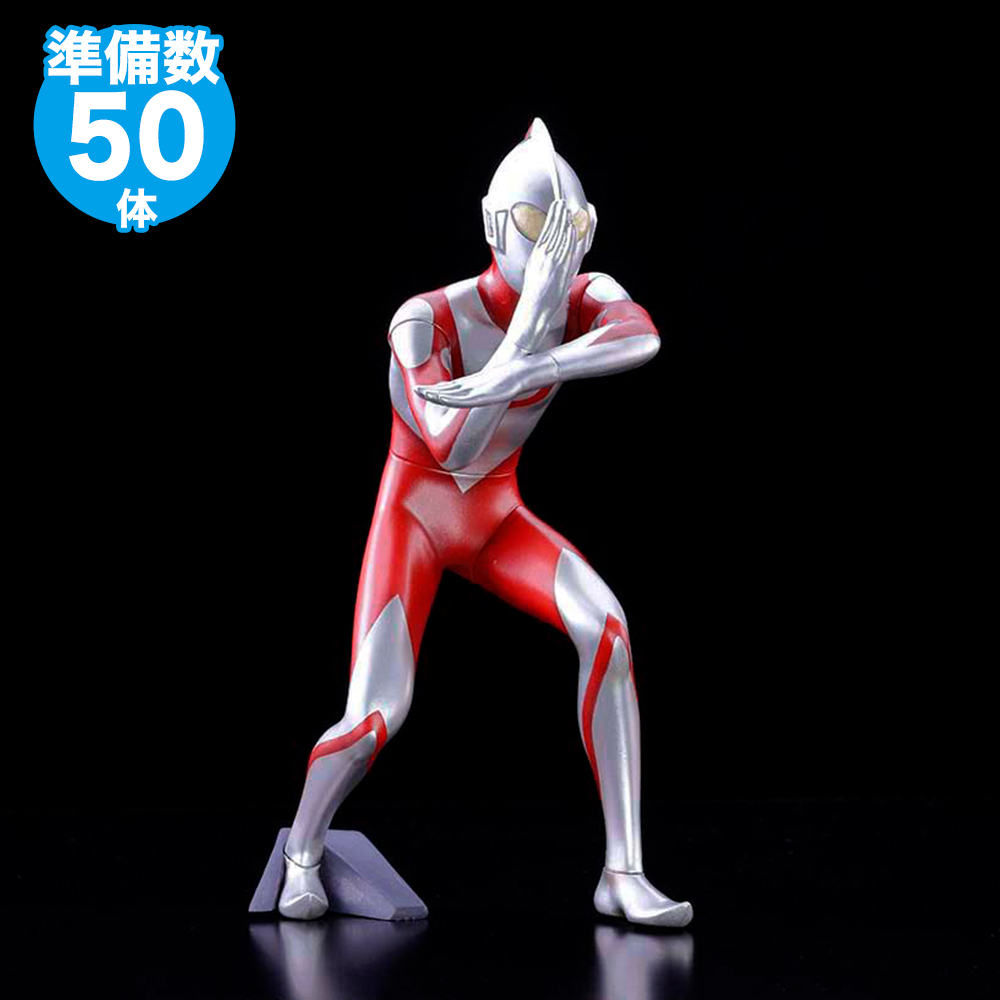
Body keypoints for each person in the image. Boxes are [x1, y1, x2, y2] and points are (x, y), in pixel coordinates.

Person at [278, 119, 693, 928]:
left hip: (496, 517)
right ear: (495, 224)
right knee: (375, 716)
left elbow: (641, 334)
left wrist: (541, 358)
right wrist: (530, 334)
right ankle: (302, 851)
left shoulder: (583, 297)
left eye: (573, 228)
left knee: (608, 629)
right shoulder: (424, 319)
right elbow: (450, 445)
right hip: (415, 520)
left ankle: (623, 872)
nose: (557, 250)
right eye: (540, 225)